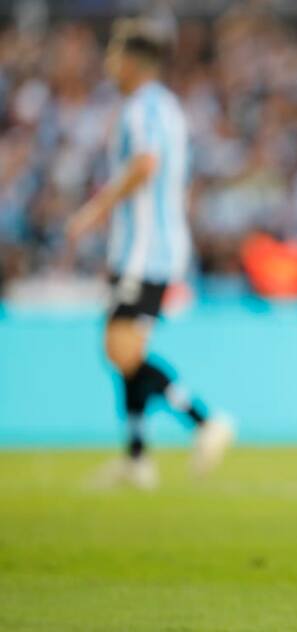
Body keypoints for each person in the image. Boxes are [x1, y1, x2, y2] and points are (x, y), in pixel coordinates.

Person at [66, 19, 233, 489]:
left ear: (133, 63)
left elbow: (146, 164)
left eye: (114, 56)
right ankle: (138, 458)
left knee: (118, 347)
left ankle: (204, 421)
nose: (108, 65)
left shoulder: (141, 109)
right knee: (128, 350)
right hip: (150, 246)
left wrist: (96, 209)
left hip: (146, 249)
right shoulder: (169, 108)